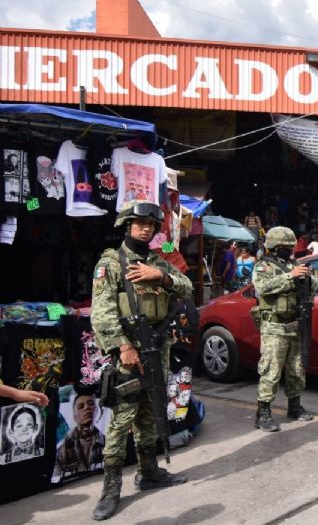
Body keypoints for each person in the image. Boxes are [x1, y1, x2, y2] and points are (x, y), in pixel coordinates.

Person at [90, 200, 193, 520]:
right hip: (129, 353)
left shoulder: (157, 260)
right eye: (139, 223)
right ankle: (110, 488)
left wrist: (160, 276)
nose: (145, 228)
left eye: (150, 225)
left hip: (157, 349)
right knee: (123, 420)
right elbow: (102, 313)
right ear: (126, 224)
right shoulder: (112, 261)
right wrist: (123, 347)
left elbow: (186, 287)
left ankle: (148, 472)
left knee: (151, 411)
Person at [251, 226, 318, 432]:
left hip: (295, 324)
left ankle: (295, 407)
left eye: (290, 246)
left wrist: (307, 277)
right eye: (284, 246)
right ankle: (263, 413)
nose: (288, 250)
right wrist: (290, 277)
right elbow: (262, 288)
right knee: (270, 370)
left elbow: (314, 284)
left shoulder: (294, 264)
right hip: (274, 325)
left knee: (296, 369)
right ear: (273, 247)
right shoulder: (263, 266)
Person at [53, 392, 105, 479]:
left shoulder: (107, 442)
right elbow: (56, 476)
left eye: (91, 404)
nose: (87, 408)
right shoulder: (62, 451)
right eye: (81, 406)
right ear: (75, 417)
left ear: (96, 410)